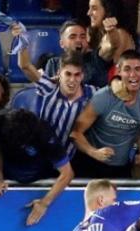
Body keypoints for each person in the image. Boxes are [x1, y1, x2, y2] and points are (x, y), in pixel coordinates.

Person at [12, 25, 97, 153]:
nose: (72, 80)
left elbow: (113, 95)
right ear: (59, 74)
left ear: (82, 75)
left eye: (77, 75)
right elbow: (25, 65)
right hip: (44, 156)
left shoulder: (92, 93)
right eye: (68, 74)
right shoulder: (49, 87)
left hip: (72, 158)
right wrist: (21, 39)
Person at [70, 50, 140, 178]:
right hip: (91, 164)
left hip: (121, 168)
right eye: (127, 69)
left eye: (138, 69)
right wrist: (93, 152)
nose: (133, 74)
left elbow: (138, 129)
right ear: (118, 71)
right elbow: (76, 132)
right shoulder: (104, 96)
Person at [0, 109, 74, 226]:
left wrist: (44, 203)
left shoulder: (44, 133)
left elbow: (67, 173)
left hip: (38, 173)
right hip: (9, 171)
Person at [41, 19, 110, 89]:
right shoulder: (53, 63)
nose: (78, 40)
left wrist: (111, 32)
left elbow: (112, 46)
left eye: (82, 37)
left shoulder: (97, 58)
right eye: (72, 37)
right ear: (62, 43)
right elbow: (47, 92)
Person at [85, 0, 136, 71]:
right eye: (89, 8)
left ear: (108, 11)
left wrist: (111, 32)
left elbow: (112, 67)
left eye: (94, 8)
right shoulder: (96, 33)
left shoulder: (120, 34)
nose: (89, 13)